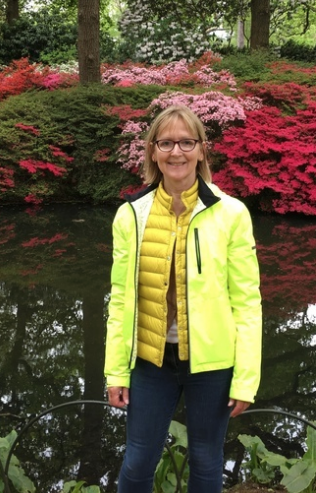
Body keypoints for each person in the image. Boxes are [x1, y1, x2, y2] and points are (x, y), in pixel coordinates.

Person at [105, 104, 262, 493]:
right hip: (150, 361)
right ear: (153, 152)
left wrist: (245, 379)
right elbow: (121, 300)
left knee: (207, 460)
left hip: (212, 363)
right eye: (167, 143)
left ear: (202, 150)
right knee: (139, 459)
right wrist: (115, 372)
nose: (177, 152)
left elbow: (247, 302)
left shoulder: (231, 214)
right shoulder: (130, 216)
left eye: (187, 142)